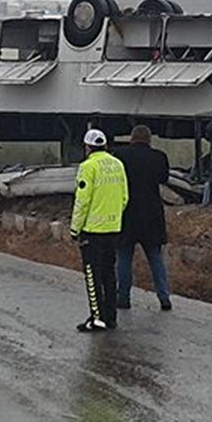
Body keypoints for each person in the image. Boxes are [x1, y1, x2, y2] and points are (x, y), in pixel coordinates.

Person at [70, 129, 129, 332]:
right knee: (109, 275)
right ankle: (110, 317)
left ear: (87, 147)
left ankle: (96, 318)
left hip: (92, 231)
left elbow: (82, 201)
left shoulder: (88, 167)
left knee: (92, 276)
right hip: (113, 229)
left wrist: (74, 228)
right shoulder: (117, 164)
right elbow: (124, 197)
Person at [113, 125, 173, 311]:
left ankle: (123, 297)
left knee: (123, 257)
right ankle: (164, 297)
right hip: (151, 213)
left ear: (131, 138)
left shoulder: (120, 156)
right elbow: (163, 178)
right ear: (149, 139)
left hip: (127, 212)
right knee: (155, 257)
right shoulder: (159, 157)